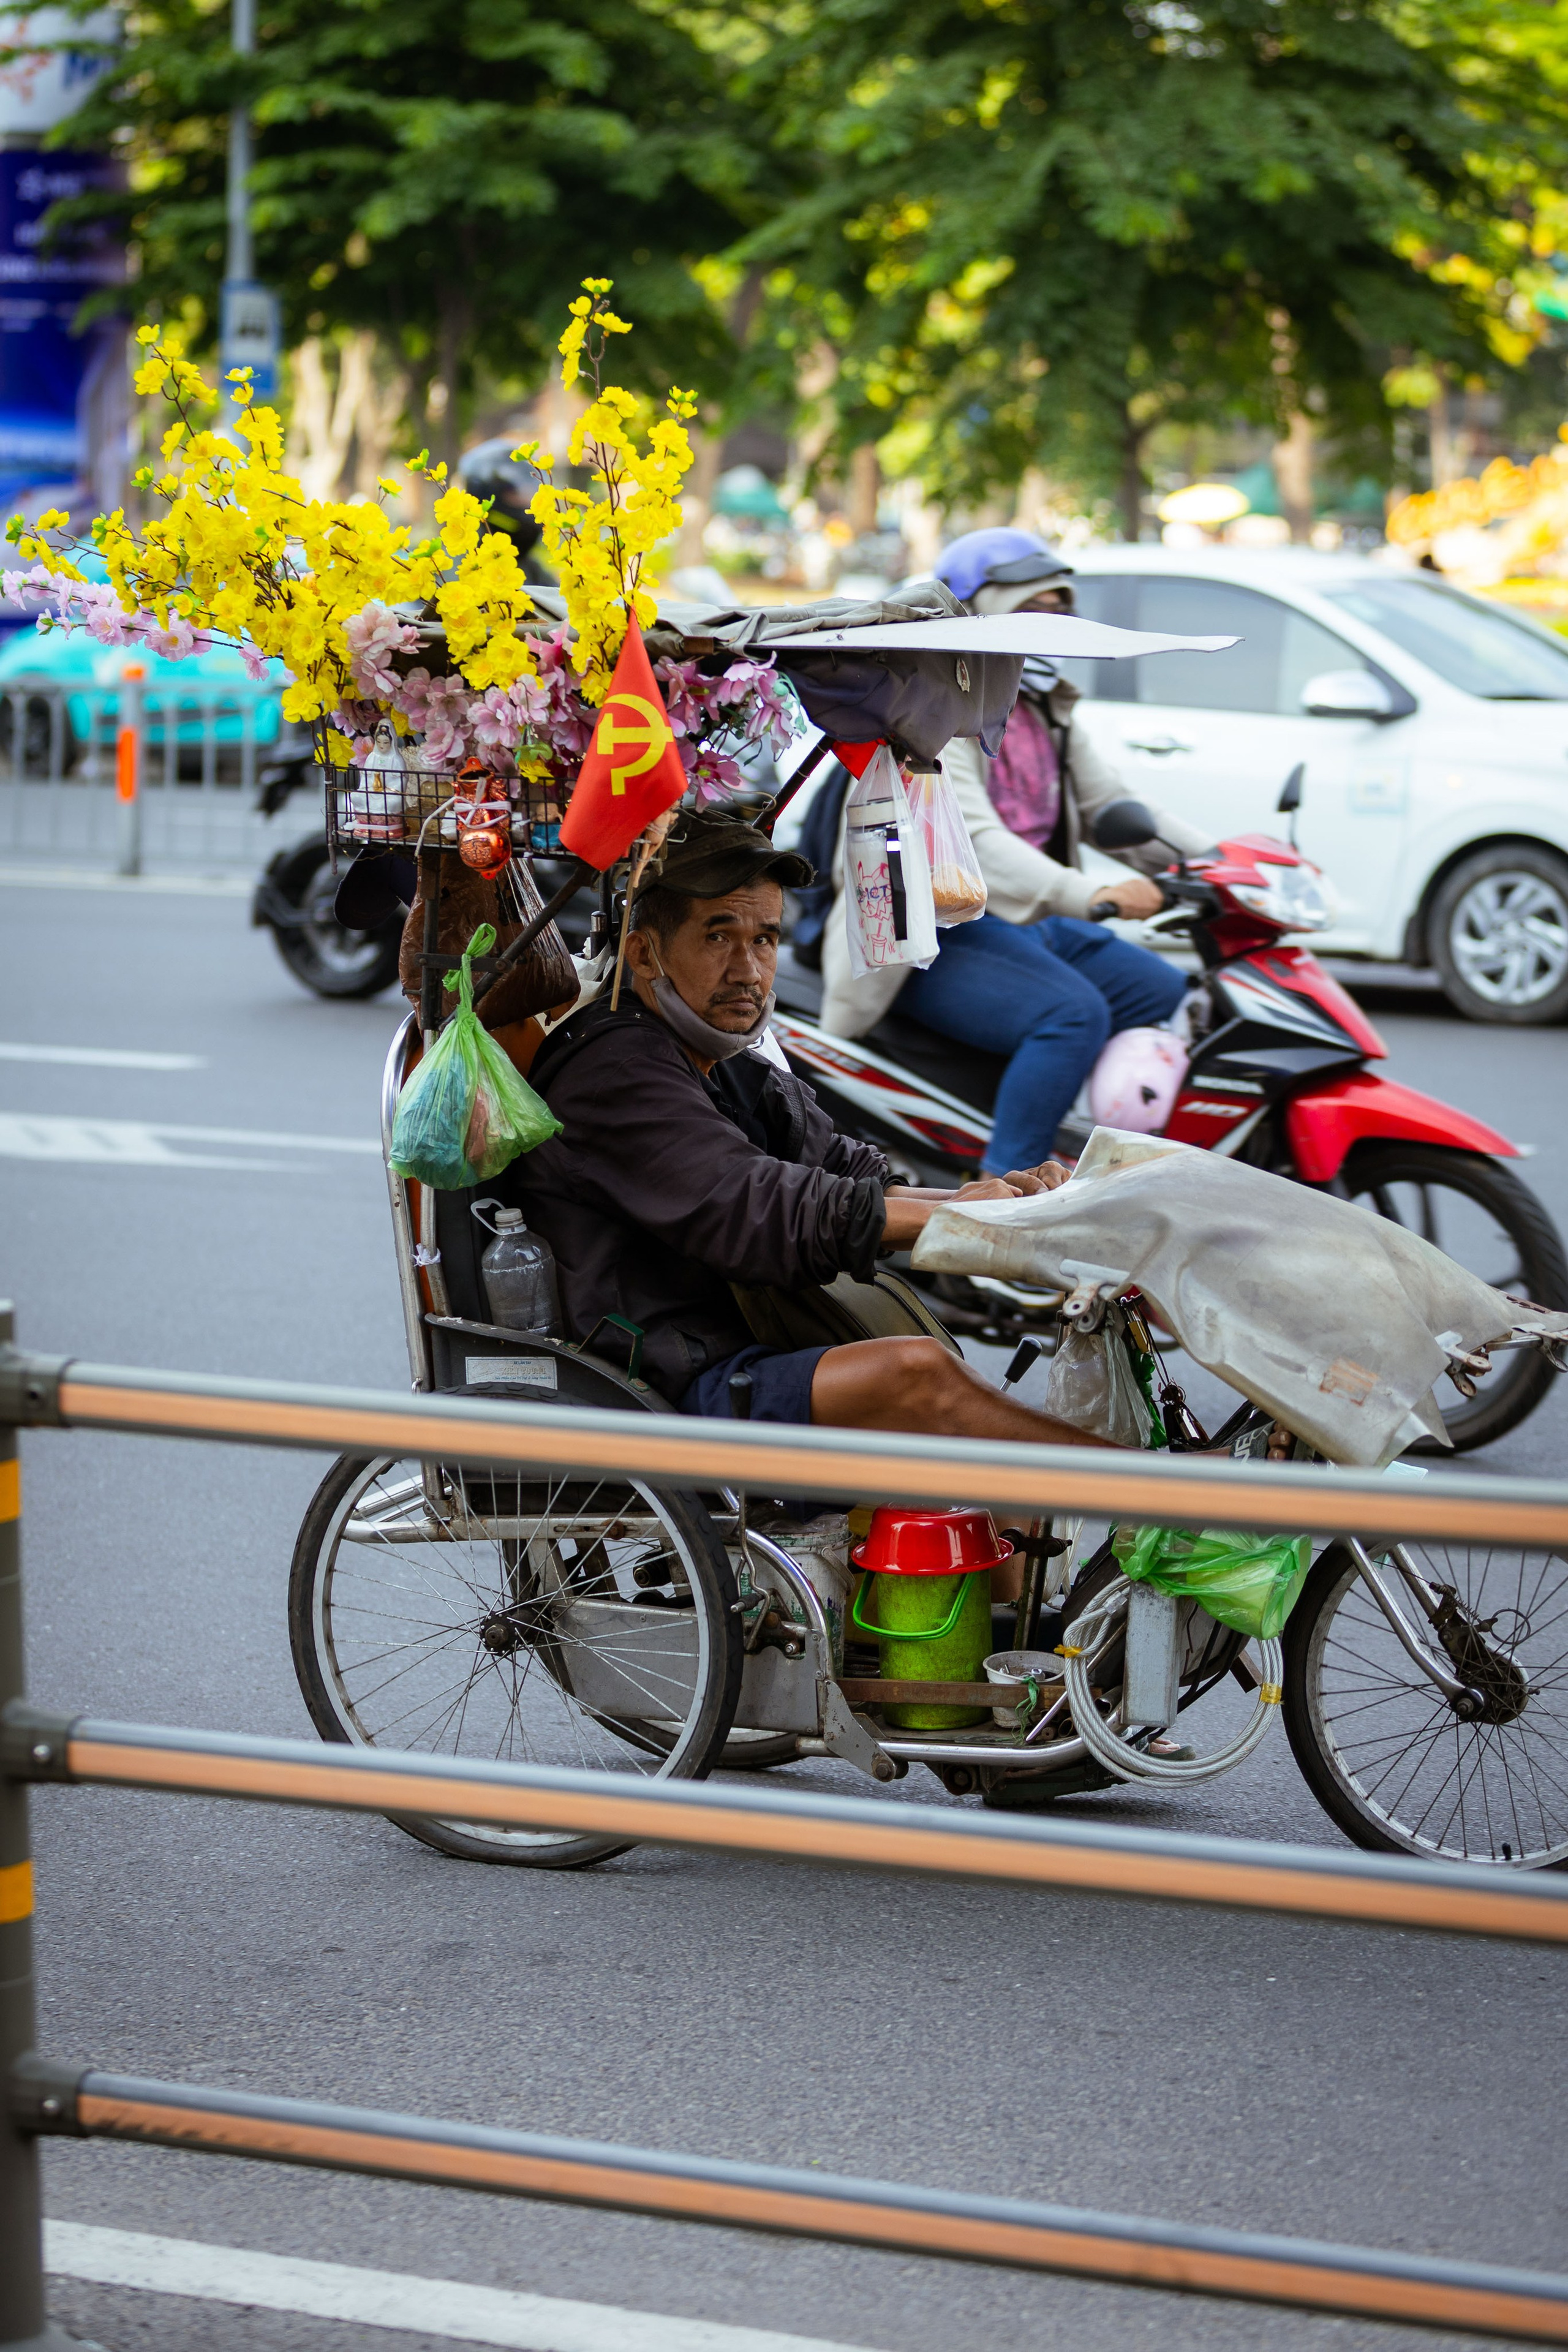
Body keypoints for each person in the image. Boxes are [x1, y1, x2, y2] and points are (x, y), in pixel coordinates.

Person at [513, 809, 1109, 1454]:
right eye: (718, 937)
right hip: (654, 1383)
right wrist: (961, 1216)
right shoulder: (617, 1069)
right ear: (644, 951)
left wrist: (1018, 1203)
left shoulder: (727, 1064)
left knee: (992, 1490)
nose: (748, 969)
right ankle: (1172, 1498)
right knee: (917, 1372)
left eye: (764, 939)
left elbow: (841, 1174)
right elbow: (756, 1204)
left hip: (735, 1348)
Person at [819, 527, 1213, 1173]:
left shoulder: (1041, 702)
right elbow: (974, 841)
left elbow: (1110, 804)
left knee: (1163, 993)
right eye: (1034, 609)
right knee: (1072, 1015)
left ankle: (1095, 1165)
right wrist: (1090, 893)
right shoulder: (934, 709)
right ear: (978, 613)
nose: (1050, 625)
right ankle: (1003, 1210)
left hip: (1031, 924)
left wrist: (1223, 863)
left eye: (1059, 610)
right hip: (939, 927)